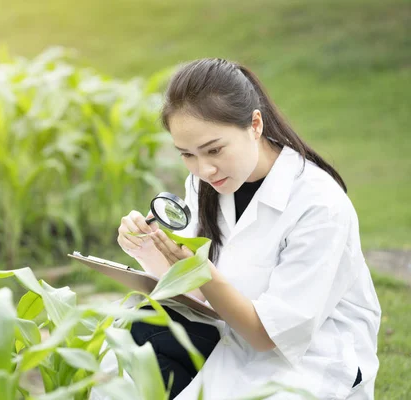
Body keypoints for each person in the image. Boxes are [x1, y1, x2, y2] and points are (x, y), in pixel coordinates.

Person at [115, 58, 381, 399]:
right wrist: (149, 250)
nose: (204, 169)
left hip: (308, 359)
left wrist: (199, 269)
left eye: (214, 149)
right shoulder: (205, 187)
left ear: (255, 124)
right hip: (232, 339)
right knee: (129, 345)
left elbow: (268, 334)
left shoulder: (318, 203)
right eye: (187, 154)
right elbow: (199, 297)